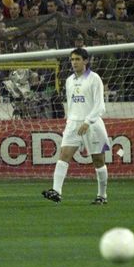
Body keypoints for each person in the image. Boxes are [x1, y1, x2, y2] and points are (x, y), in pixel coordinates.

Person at [41, 48, 111, 204]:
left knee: (98, 161)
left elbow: (100, 106)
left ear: (85, 61)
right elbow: (72, 105)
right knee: (64, 155)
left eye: (77, 59)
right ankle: (56, 191)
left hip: (92, 125)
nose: (74, 62)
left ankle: (102, 196)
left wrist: (88, 121)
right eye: (72, 59)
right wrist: (70, 122)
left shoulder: (94, 78)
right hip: (73, 124)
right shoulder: (69, 80)